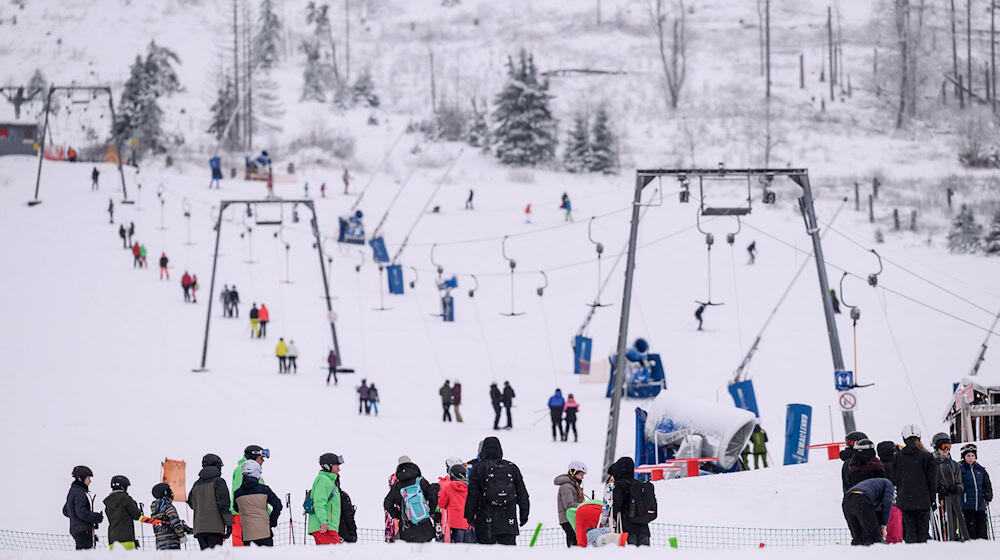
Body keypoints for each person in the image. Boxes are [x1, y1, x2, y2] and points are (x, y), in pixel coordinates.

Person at [464, 437, 529, 545]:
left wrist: (469, 516)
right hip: (509, 521)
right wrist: (524, 515)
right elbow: (522, 494)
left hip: (485, 522)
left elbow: (473, 495)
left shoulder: (478, 468)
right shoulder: (512, 467)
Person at [894, 424, 936, 543]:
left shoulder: (898, 457)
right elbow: (932, 480)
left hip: (905, 500)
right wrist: (932, 498)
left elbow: (895, 478)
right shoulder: (927, 456)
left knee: (910, 533)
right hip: (923, 500)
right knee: (923, 533)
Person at [384, 456, 438, 543]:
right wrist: (430, 511)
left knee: (410, 555)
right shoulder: (420, 481)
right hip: (425, 524)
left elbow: (387, 503)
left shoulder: (397, 486)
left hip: (406, 527)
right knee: (427, 554)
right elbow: (432, 495)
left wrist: (398, 516)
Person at [187, 453, 233, 550]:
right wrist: (229, 524)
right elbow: (224, 505)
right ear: (216, 465)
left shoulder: (196, 484)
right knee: (215, 556)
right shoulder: (219, 482)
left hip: (199, 529)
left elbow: (191, 504)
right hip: (215, 529)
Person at [233, 461, 282, 546]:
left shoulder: (237, 493)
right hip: (265, 533)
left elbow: (236, 509)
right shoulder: (264, 489)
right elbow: (278, 505)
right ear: (255, 473)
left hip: (247, 534)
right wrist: (272, 521)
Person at [230, 445, 269, 547]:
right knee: (243, 550)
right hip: (243, 517)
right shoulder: (242, 470)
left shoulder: (254, 473)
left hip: (254, 517)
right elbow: (242, 495)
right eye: (261, 458)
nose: (263, 461)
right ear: (254, 457)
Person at [607, 456, 652, 546]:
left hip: (627, 528)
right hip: (644, 529)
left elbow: (617, 505)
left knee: (630, 555)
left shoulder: (620, 485)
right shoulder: (640, 485)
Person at [931, 432, 968, 541]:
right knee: (942, 526)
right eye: (943, 446)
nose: (946, 449)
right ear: (936, 447)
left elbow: (960, 482)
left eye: (948, 446)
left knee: (953, 525)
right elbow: (930, 481)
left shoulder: (954, 464)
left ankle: (955, 542)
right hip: (940, 502)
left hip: (953, 501)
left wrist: (957, 488)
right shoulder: (932, 463)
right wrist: (937, 490)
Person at [842, 477, 895, 546]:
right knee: (874, 537)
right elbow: (887, 504)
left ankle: (857, 554)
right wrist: (883, 526)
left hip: (847, 501)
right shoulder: (889, 484)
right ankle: (880, 554)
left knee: (858, 537)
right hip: (861, 499)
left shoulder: (874, 484)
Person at [63, 466, 103, 550]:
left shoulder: (73, 491)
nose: (90, 481)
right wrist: (95, 517)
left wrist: (77, 520)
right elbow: (81, 512)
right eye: (88, 478)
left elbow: (66, 511)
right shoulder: (79, 493)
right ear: (80, 478)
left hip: (78, 530)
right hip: (83, 532)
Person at [959, 443, 993, 540]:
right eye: (968, 456)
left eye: (973, 455)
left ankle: (984, 548)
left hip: (980, 506)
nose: (971, 458)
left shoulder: (980, 470)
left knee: (982, 530)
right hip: (967, 506)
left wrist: (988, 494)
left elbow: (987, 484)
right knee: (971, 531)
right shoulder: (961, 469)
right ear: (964, 457)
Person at [309, 453, 345, 544]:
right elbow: (319, 502)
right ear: (328, 466)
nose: (339, 469)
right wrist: (323, 522)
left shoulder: (329, 481)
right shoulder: (324, 480)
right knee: (338, 553)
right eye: (337, 466)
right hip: (324, 527)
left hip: (327, 527)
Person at [104, 476, 144, 550]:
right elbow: (137, 516)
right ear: (123, 487)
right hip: (127, 540)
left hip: (112, 542)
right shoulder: (125, 498)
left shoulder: (108, 502)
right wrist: (139, 510)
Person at [150, 483, 192, 550]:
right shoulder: (168, 507)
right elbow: (175, 522)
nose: (172, 494)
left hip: (159, 541)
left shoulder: (155, 510)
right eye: (170, 492)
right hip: (171, 540)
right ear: (165, 493)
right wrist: (181, 536)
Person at [876, 441, 903, 543]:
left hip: (882, 502)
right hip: (894, 502)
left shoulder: (878, 466)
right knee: (895, 534)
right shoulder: (895, 466)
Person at [439, 463, 473, 543]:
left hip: (454, 524)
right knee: (469, 550)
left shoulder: (448, 487)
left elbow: (441, 504)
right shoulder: (470, 487)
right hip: (469, 523)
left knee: (457, 550)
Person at [555, 461, 586, 547]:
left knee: (575, 541)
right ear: (573, 472)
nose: (582, 478)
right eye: (581, 474)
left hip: (573, 518)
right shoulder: (566, 486)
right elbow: (568, 504)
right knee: (573, 541)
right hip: (568, 519)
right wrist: (584, 506)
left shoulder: (574, 486)